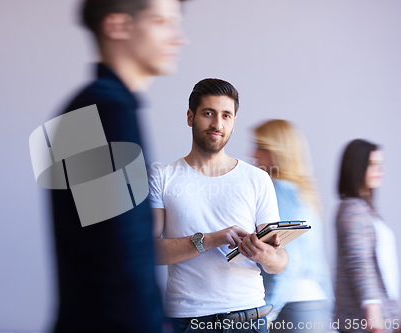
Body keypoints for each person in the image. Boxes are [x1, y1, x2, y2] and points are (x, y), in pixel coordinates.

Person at [49, 1, 186, 332]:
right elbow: (122, 257)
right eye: (161, 21)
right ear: (117, 26)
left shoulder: (85, 108)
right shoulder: (105, 111)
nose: (179, 38)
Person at [148, 78, 288, 333]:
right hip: (187, 322)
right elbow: (148, 250)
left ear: (234, 122)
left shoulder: (257, 178)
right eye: (208, 113)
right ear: (190, 117)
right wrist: (211, 239)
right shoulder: (162, 177)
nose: (217, 124)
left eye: (226, 115)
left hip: (249, 320)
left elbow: (279, 261)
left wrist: (265, 255)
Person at [251, 119, 333, 332]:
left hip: (292, 307)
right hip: (316, 303)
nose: (253, 154)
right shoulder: (305, 193)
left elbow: (289, 260)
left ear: (279, 152)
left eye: (261, 148)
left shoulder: (277, 192)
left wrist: (266, 314)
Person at [335, 139, 400, 333]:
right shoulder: (352, 209)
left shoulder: (366, 210)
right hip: (364, 319)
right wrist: (372, 307)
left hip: (382, 314)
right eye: (372, 164)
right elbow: (359, 261)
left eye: (380, 164)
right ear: (356, 167)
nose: (380, 169)